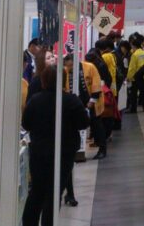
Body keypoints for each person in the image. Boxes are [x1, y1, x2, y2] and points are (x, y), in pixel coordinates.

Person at [22, 65, 90, 226]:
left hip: (39, 152)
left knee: (37, 191)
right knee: (54, 193)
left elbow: (26, 124)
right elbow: (83, 123)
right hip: (64, 153)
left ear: (43, 80)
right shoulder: (71, 100)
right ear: (63, 80)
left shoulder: (35, 100)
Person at [63, 53, 103, 206]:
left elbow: (96, 86)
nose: (68, 69)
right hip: (76, 105)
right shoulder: (66, 72)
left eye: (70, 66)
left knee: (96, 124)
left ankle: (102, 148)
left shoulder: (89, 67)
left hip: (91, 102)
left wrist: (90, 103)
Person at [126, 36, 144, 113]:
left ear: (134, 46)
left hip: (136, 77)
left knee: (133, 93)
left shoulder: (134, 55)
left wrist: (129, 77)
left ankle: (133, 109)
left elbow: (132, 68)